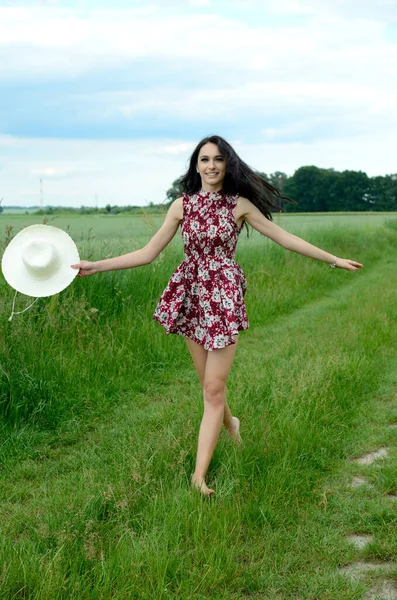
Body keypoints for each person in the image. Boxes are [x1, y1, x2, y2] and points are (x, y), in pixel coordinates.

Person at [72, 135, 363, 496]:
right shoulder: (182, 206)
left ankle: (199, 477)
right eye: (205, 159)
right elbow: (147, 253)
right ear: (196, 165)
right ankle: (231, 422)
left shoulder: (239, 205)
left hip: (223, 298)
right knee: (209, 387)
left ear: (228, 165)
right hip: (192, 296)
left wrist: (333, 259)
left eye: (218, 159)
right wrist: (95, 266)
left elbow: (283, 238)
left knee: (213, 389)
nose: (211, 165)